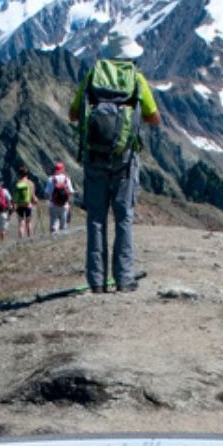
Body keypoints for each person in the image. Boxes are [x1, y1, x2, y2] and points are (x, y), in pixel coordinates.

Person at [68, 42, 159, 292]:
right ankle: (124, 279)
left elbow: (74, 114)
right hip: (125, 159)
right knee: (123, 218)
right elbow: (154, 117)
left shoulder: (91, 76)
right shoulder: (137, 80)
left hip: (94, 157)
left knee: (96, 219)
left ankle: (96, 282)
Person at [47, 162, 74, 234]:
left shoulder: (50, 179)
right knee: (63, 224)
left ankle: (53, 237)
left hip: (53, 204)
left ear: (55, 169)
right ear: (63, 169)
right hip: (64, 205)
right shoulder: (66, 179)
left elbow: (47, 192)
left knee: (54, 223)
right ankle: (62, 240)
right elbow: (71, 191)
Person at [12, 164, 36, 239]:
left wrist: (14, 204)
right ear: (27, 174)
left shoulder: (17, 183)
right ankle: (30, 238)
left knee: (21, 223)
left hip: (19, 205)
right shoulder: (31, 183)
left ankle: (21, 240)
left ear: (19, 174)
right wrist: (34, 200)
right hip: (28, 205)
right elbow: (33, 195)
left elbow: (15, 196)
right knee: (28, 222)